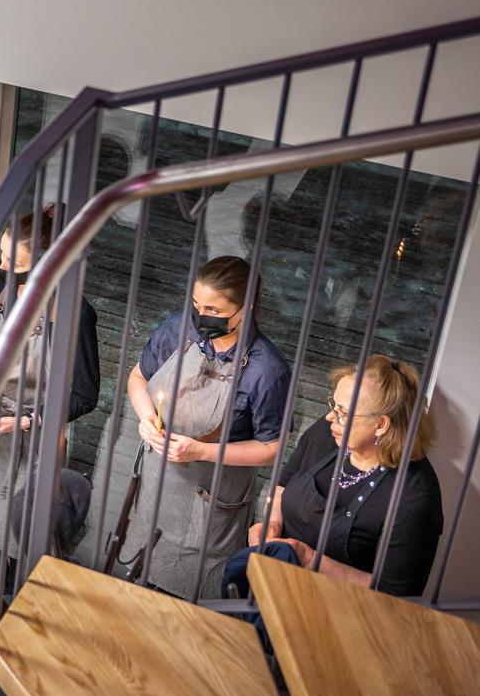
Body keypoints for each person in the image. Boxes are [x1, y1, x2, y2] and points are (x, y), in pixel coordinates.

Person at [0, 206, 100, 631]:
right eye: (1, 256)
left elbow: (83, 397)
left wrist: (23, 421)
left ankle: (13, 600)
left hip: (33, 434)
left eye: (14, 263)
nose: (2, 268)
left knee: (18, 525)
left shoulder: (73, 312)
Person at [114, 255, 291, 599]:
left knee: (190, 593)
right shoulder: (178, 329)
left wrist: (201, 451)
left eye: (213, 309)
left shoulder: (266, 371)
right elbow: (138, 377)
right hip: (157, 483)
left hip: (211, 501)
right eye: (196, 304)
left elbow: (272, 448)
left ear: (246, 308)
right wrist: (147, 417)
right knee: (140, 574)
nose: (200, 316)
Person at [237, 356, 443, 596]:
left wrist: (308, 559)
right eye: (333, 405)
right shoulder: (328, 433)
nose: (330, 417)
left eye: (343, 412)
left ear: (380, 425)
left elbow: (395, 593)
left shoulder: (414, 495)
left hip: (340, 607)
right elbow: (283, 484)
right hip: (273, 584)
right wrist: (272, 522)